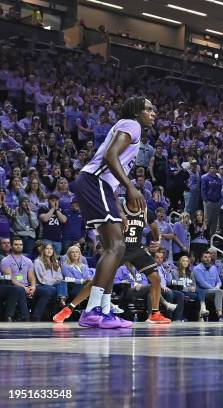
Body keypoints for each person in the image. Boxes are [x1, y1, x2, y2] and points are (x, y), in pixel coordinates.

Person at [70, 96, 153, 329]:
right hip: (95, 182)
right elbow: (110, 156)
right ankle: (93, 310)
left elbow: (109, 172)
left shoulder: (129, 126)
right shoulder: (131, 124)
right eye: (148, 109)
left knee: (115, 248)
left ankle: (103, 310)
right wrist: (131, 186)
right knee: (116, 246)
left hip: (98, 185)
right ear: (137, 111)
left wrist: (118, 209)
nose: (152, 113)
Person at [53, 199, 171, 324]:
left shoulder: (145, 210)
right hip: (120, 249)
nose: (139, 202)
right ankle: (69, 308)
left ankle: (155, 313)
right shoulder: (117, 211)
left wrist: (157, 239)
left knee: (156, 278)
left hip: (137, 249)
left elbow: (153, 225)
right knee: (98, 280)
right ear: (128, 201)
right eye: (136, 199)